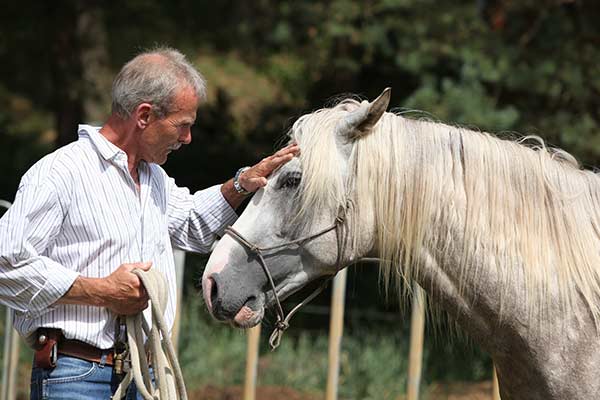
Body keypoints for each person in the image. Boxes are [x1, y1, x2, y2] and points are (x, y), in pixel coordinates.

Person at [0, 47, 298, 399]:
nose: (187, 139)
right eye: (182, 125)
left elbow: (192, 223)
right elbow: (7, 263)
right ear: (144, 116)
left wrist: (241, 184)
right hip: (76, 377)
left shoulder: (153, 178)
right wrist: (102, 292)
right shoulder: (59, 173)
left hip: (144, 376)